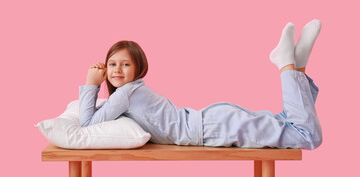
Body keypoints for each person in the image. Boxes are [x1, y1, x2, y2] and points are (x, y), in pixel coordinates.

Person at [79, 19, 323, 150]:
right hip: (212, 121)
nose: (116, 70)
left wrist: (91, 84)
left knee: (306, 136)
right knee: (285, 123)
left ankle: (287, 66)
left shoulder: (125, 94)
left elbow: (87, 124)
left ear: (139, 69)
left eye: (125, 65)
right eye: (112, 65)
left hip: (211, 128)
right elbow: (99, 118)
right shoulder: (128, 94)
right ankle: (296, 67)